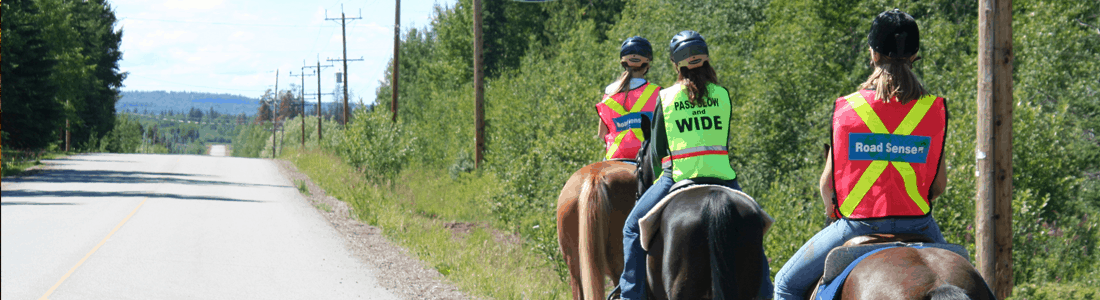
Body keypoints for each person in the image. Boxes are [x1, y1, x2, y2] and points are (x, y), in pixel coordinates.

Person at [772, 9, 950, 299]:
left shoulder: (847, 109)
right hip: (920, 223)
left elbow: (827, 185)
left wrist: (832, 209)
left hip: (857, 224)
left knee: (785, 285)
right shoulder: (933, 110)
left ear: (873, 54)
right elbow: (938, 185)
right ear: (915, 55)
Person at [612, 30, 773, 300]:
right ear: (706, 59)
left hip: (677, 178)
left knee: (631, 227)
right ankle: (767, 292)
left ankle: (630, 296)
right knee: (754, 224)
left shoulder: (666, 98)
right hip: (723, 177)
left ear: (676, 64)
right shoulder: (722, 95)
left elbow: (658, 150)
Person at [596, 36, 661, 161]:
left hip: (615, 158)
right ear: (647, 64)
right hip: (648, 159)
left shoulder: (609, 93)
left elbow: (601, 134)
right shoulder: (657, 92)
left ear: (623, 63)